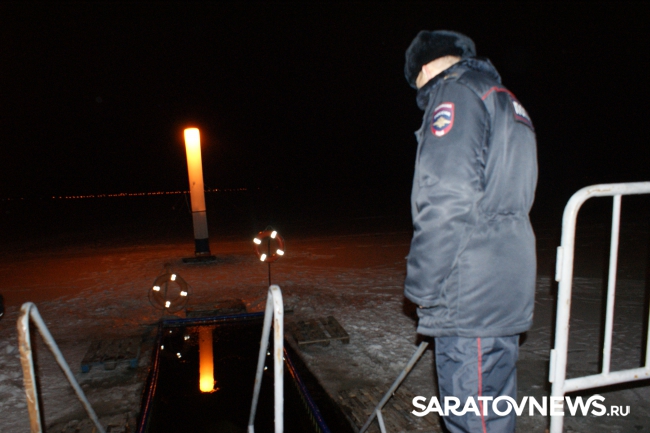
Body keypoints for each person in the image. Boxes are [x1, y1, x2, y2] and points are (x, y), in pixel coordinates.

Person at [403, 30, 537, 432]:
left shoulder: (454, 93)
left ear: (426, 67)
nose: (418, 92)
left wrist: (422, 287)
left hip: (469, 291)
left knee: (473, 417)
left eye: (416, 81)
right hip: (504, 281)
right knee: (491, 411)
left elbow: (447, 198)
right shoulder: (504, 98)